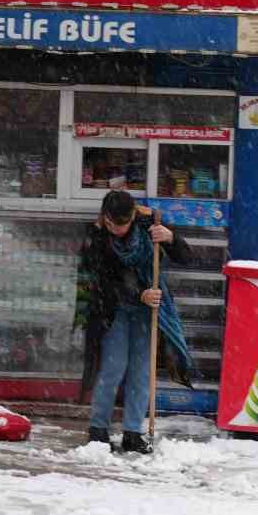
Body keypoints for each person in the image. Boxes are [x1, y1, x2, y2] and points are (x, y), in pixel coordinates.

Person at [75, 190, 195, 453]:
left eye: (121, 224)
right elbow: (105, 281)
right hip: (112, 309)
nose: (116, 229)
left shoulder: (150, 225)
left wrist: (171, 238)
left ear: (132, 216)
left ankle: (132, 432)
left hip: (146, 311)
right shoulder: (96, 237)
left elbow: (187, 256)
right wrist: (138, 293)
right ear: (104, 217)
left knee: (142, 371)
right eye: (110, 223)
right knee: (113, 368)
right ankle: (98, 430)